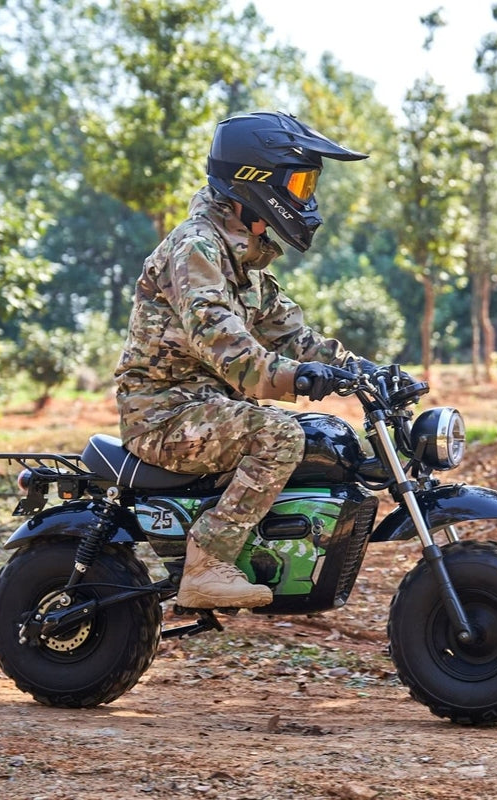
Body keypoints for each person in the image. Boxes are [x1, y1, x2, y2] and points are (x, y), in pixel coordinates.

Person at [114, 111, 371, 610]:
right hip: (164, 414)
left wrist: (360, 370)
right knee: (280, 435)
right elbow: (223, 343)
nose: (306, 197)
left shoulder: (244, 260)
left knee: (316, 437)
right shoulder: (195, 248)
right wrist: (294, 377)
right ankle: (207, 563)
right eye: (298, 183)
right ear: (254, 181)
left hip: (204, 408)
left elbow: (292, 334)